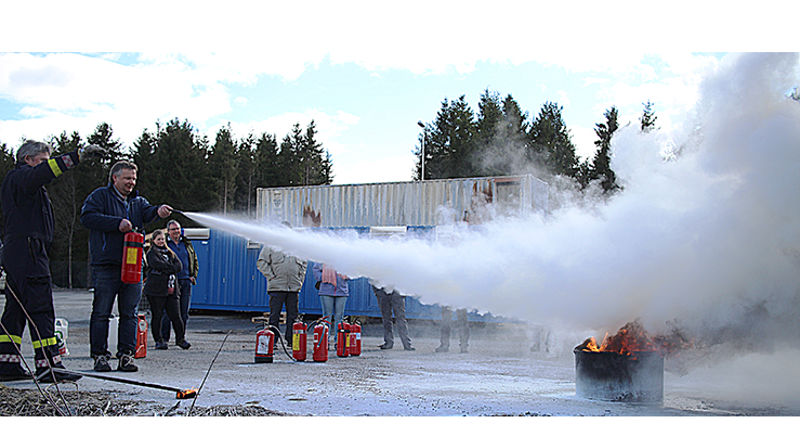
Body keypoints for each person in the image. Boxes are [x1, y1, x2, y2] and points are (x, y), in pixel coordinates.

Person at [0, 141, 101, 382]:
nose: (46, 167)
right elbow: (41, 174)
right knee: (41, 307)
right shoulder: (23, 176)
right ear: (28, 159)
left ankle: (6, 364)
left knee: (15, 310)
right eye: (43, 160)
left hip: (19, 251)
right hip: (29, 251)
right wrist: (75, 157)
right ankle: (49, 365)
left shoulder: (19, 183)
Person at [80, 160, 173, 372]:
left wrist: (159, 211)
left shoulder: (137, 202)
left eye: (133, 179)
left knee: (129, 313)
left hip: (133, 265)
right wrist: (116, 223)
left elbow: (149, 212)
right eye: (127, 178)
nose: (131, 182)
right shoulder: (100, 197)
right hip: (107, 265)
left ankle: (126, 355)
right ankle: (100, 355)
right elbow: (87, 217)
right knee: (102, 312)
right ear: (115, 178)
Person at [144, 229, 190, 350]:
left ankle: (181, 339)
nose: (161, 241)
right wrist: (171, 268)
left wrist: (168, 269)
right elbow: (157, 265)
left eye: (162, 239)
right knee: (157, 315)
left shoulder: (170, 253)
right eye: (158, 239)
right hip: (156, 290)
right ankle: (159, 340)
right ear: (153, 241)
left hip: (172, 289)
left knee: (176, 315)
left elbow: (179, 266)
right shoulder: (151, 254)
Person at [256, 243, 307, 344]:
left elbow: (304, 265)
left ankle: (291, 341)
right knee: (274, 315)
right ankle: (273, 341)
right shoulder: (271, 245)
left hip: (293, 288)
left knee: (293, 316)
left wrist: (300, 280)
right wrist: (271, 277)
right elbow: (261, 262)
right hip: (276, 288)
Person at [161, 219, 198, 344]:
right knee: (167, 311)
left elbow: (194, 259)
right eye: (173, 229)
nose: (176, 231)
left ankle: (180, 338)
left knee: (184, 312)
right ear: (168, 232)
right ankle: (164, 338)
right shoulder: (165, 244)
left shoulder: (186, 243)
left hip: (186, 280)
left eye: (178, 229)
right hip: (171, 281)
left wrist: (193, 275)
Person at [312, 263, 348, 347]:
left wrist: (347, 276)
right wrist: (323, 277)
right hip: (326, 290)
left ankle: (338, 341)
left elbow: (352, 271)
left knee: (339, 317)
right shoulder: (324, 256)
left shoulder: (345, 258)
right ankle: (325, 341)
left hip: (342, 291)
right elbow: (315, 269)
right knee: (326, 316)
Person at [371, 281, 414, 351]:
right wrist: (378, 292)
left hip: (397, 292)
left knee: (400, 318)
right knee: (387, 318)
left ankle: (406, 343)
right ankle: (390, 342)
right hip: (384, 292)